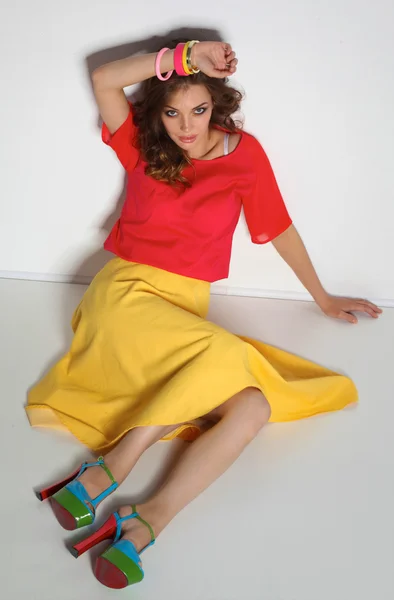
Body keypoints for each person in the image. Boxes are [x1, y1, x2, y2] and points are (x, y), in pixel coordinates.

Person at [27, 39, 382, 590]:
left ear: (217, 105)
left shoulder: (245, 154)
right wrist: (185, 56)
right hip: (125, 295)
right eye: (172, 111)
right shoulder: (142, 145)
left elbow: (279, 227)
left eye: (198, 110)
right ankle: (112, 467)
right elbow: (104, 79)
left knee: (254, 407)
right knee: (226, 352)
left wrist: (322, 297)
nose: (185, 126)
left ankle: (148, 521)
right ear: (157, 112)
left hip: (183, 311)